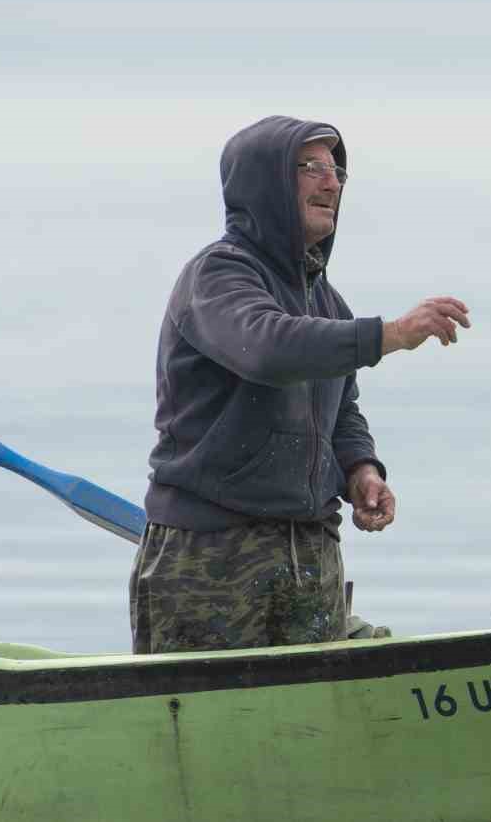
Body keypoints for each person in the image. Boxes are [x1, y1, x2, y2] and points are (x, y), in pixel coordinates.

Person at [129, 115, 471, 654]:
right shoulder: (218, 277)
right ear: (263, 182)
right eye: (310, 167)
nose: (331, 182)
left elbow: (342, 412)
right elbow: (266, 348)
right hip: (213, 553)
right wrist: (393, 334)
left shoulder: (328, 303)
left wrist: (361, 469)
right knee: (214, 727)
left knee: (313, 726)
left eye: (336, 170)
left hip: (311, 553)